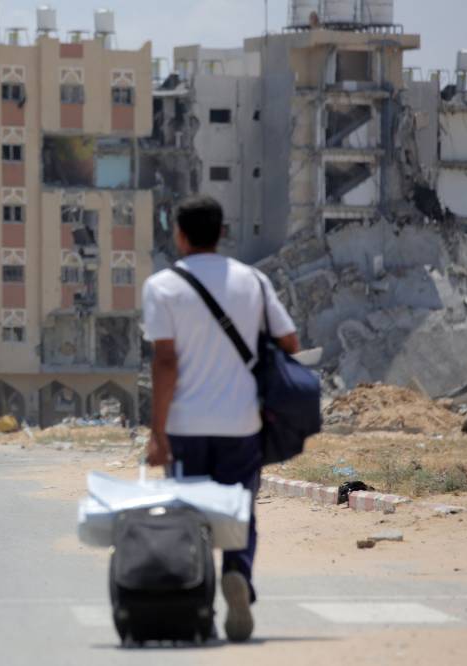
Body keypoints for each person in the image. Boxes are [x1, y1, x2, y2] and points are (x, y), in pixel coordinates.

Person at [141, 195, 300, 643]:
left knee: (190, 517)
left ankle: (198, 601)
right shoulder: (253, 281)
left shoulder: (162, 287)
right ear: (221, 233)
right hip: (242, 426)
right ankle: (238, 574)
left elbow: (166, 361)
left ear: (180, 234)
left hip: (186, 428)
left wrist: (157, 433)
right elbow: (289, 341)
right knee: (239, 510)